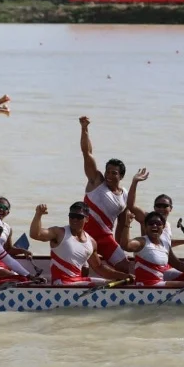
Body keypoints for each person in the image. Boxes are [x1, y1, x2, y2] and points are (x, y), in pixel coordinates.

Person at [125, 168, 184, 279]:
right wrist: (135, 182)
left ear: (171, 209)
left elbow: (164, 245)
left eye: (165, 206)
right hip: (152, 266)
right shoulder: (147, 219)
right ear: (154, 207)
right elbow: (131, 205)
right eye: (158, 206)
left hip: (166, 263)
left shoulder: (166, 225)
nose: (161, 209)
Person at [29, 202, 132, 286]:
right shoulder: (59, 233)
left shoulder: (91, 242)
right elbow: (35, 234)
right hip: (61, 283)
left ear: (87, 219)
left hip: (78, 281)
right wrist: (38, 214)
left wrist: (123, 276)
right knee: (101, 285)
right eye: (72, 216)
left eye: (79, 217)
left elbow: (99, 267)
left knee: (113, 283)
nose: (74, 219)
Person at [78, 116, 131, 273]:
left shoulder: (124, 194)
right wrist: (84, 128)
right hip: (85, 236)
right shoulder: (96, 181)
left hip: (106, 238)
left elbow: (122, 223)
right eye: (107, 171)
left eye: (114, 173)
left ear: (121, 176)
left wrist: (119, 246)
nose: (108, 175)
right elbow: (87, 153)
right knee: (84, 271)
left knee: (125, 267)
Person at [118, 210, 184, 287]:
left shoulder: (165, 243)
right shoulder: (142, 242)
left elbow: (178, 264)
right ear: (145, 227)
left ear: (163, 227)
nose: (154, 226)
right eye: (151, 223)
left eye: (158, 223)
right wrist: (127, 224)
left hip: (160, 280)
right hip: (146, 284)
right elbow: (125, 245)